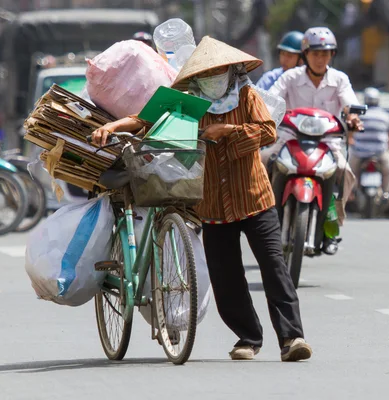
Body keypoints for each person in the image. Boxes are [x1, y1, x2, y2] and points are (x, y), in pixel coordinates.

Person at [91, 36, 312, 362]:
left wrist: (230, 132)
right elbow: (144, 119)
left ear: (231, 71)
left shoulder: (246, 95)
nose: (215, 77)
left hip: (253, 197)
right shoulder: (187, 100)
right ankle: (247, 338)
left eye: (220, 71)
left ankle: (291, 338)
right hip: (211, 202)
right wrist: (112, 125)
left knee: (274, 268)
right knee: (227, 277)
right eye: (208, 72)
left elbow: (267, 131)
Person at [269, 27, 363, 254]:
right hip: (289, 138)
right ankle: (266, 221)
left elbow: (349, 102)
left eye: (326, 54)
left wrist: (352, 116)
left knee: (343, 170)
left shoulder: (339, 79)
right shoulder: (290, 77)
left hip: (328, 142)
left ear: (332, 55)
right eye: (316, 54)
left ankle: (331, 228)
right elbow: (272, 97)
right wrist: (263, 110)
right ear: (305, 54)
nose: (320, 59)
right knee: (266, 162)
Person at [349, 87, 389, 204]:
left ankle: (352, 192)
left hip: (359, 152)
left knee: (350, 172)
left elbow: (350, 135)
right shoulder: (386, 116)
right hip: (380, 153)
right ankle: (386, 193)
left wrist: (351, 141)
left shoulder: (358, 115)